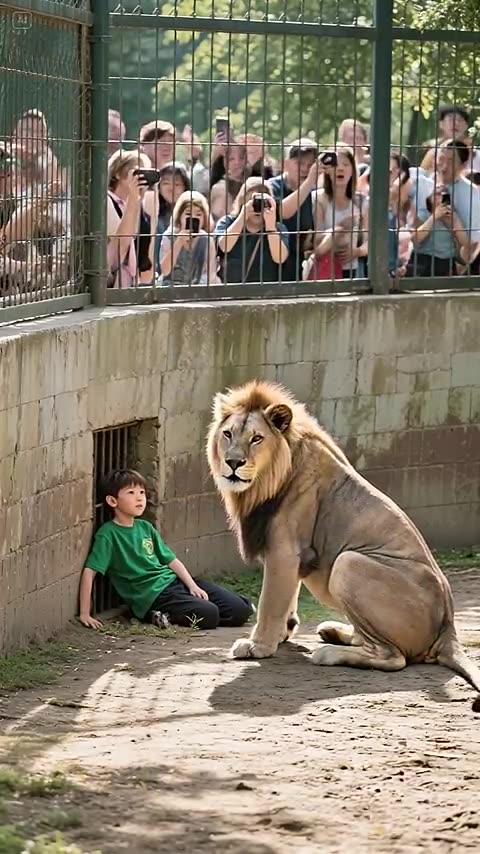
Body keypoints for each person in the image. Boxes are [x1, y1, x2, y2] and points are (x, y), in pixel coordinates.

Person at [79, 469, 253, 631]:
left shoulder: (145, 527)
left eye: (141, 493)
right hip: (153, 595)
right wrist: (85, 613)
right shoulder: (108, 534)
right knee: (209, 614)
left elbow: (171, 560)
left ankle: (218, 608)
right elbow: (90, 571)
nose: (139, 498)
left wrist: (191, 586)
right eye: (131, 493)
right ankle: (156, 615)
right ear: (112, 501)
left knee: (240, 611)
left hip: (173, 582)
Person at [215, 177, 289, 284]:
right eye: (253, 202)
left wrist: (270, 226)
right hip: (230, 290)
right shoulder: (228, 222)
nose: (257, 207)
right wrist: (243, 216)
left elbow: (280, 258)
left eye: (262, 202)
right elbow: (224, 247)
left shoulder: (278, 228)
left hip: (264, 291)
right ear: (242, 202)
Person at [312, 145, 368, 280]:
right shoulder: (318, 199)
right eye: (336, 164)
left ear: (353, 170)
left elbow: (369, 241)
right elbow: (314, 239)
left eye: (346, 164)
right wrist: (339, 229)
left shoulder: (362, 201)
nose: (341, 168)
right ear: (327, 170)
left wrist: (357, 251)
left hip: (352, 271)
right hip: (324, 268)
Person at [268, 138, 319, 282]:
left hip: (296, 266)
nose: (305, 169)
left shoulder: (314, 193)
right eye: (300, 163)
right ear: (286, 164)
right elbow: (282, 212)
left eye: (310, 165)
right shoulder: (272, 187)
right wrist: (309, 182)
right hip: (269, 265)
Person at [107, 149, 159, 288]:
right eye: (136, 172)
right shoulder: (107, 201)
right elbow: (121, 244)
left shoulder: (136, 202)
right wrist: (133, 200)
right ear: (118, 173)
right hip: (110, 278)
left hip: (129, 279)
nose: (141, 177)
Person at [159, 190, 218, 286]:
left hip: (197, 289)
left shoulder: (206, 240)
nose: (194, 217)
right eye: (188, 214)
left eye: (198, 215)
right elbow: (165, 271)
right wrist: (178, 242)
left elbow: (210, 273)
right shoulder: (169, 236)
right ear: (179, 216)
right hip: (170, 287)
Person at [154, 161, 191, 273]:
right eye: (166, 183)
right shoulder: (152, 211)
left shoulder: (193, 210)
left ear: (185, 187)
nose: (171, 188)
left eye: (177, 184)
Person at [209, 137, 248, 221]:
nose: (237, 162)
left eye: (241, 157)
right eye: (231, 159)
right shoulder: (219, 188)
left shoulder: (251, 184)